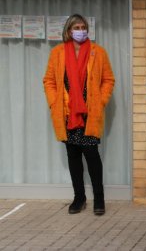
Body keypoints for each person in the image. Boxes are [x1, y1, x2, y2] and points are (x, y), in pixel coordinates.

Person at [43, 14, 115, 216]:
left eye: (83, 27)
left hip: (89, 114)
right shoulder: (57, 53)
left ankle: (99, 199)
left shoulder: (97, 52)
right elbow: (49, 80)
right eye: (77, 27)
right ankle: (79, 198)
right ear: (68, 31)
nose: (81, 30)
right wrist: (54, 102)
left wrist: (100, 101)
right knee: (73, 156)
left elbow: (108, 80)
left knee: (92, 156)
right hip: (67, 113)